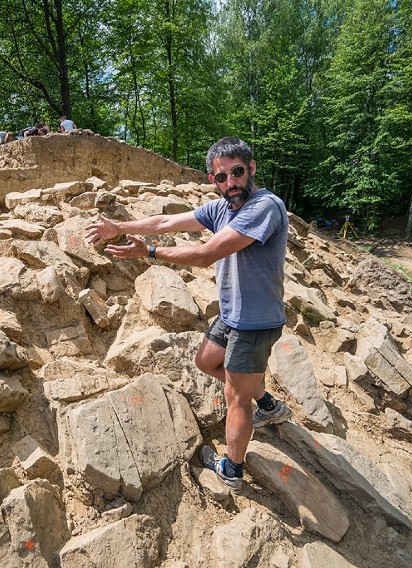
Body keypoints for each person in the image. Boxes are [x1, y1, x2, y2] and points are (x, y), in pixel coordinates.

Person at [84, 136, 292, 494]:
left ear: (251, 169)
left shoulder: (265, 207)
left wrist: (149, 253)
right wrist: (120, 228)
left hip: (256, 323)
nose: (230, 183)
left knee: (235, 398)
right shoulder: (222, 208)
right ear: (212, 180)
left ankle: (232, 470)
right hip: (232, 315)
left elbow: (206, 254)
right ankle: (268, 403)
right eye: (220, 177)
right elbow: (166, 221)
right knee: (208, 361)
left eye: (237, 172)